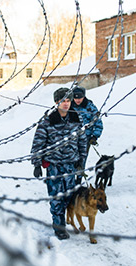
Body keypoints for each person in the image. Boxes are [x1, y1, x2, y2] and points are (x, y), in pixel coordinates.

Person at [31, 87, 87, 240]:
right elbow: (38, 143)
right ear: (56, 102)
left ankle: (67, 220)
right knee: (56, 197)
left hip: (70, 164)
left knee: (69, 196)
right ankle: (59, 227)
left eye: (68, 101)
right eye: (63, 101)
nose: (66, 104)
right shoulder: (48, 121)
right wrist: (36, 164)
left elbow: (82, 141)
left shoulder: (76, 118)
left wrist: (81, 160)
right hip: (54, 166)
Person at [71, 86, 103, 167]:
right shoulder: (69, 106)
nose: (78, 100)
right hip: (71, 138)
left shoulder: (90, 107)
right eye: (75, 98)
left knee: (81, 161)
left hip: (86, 138)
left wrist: (95, 136)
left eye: (80, 98)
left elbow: (98, 122)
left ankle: (79, 178)